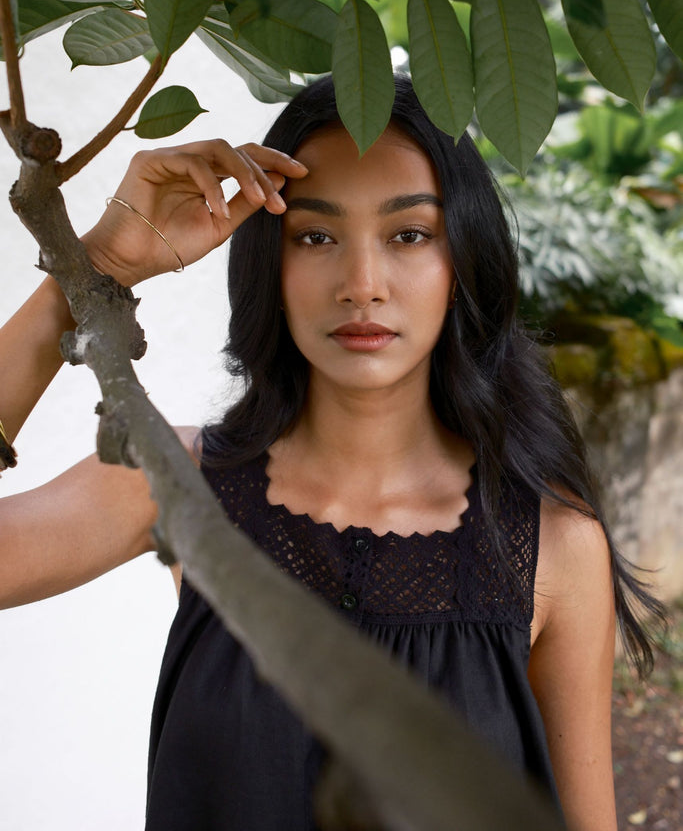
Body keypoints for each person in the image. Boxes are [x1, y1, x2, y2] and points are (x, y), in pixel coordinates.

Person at [0, 74, 662, 831]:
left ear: (463, 259)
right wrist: (94, 271)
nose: (361, 284)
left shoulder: (552, 547)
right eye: (314, 236)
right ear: (270, 265)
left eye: (408, 234)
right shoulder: (173, 488)